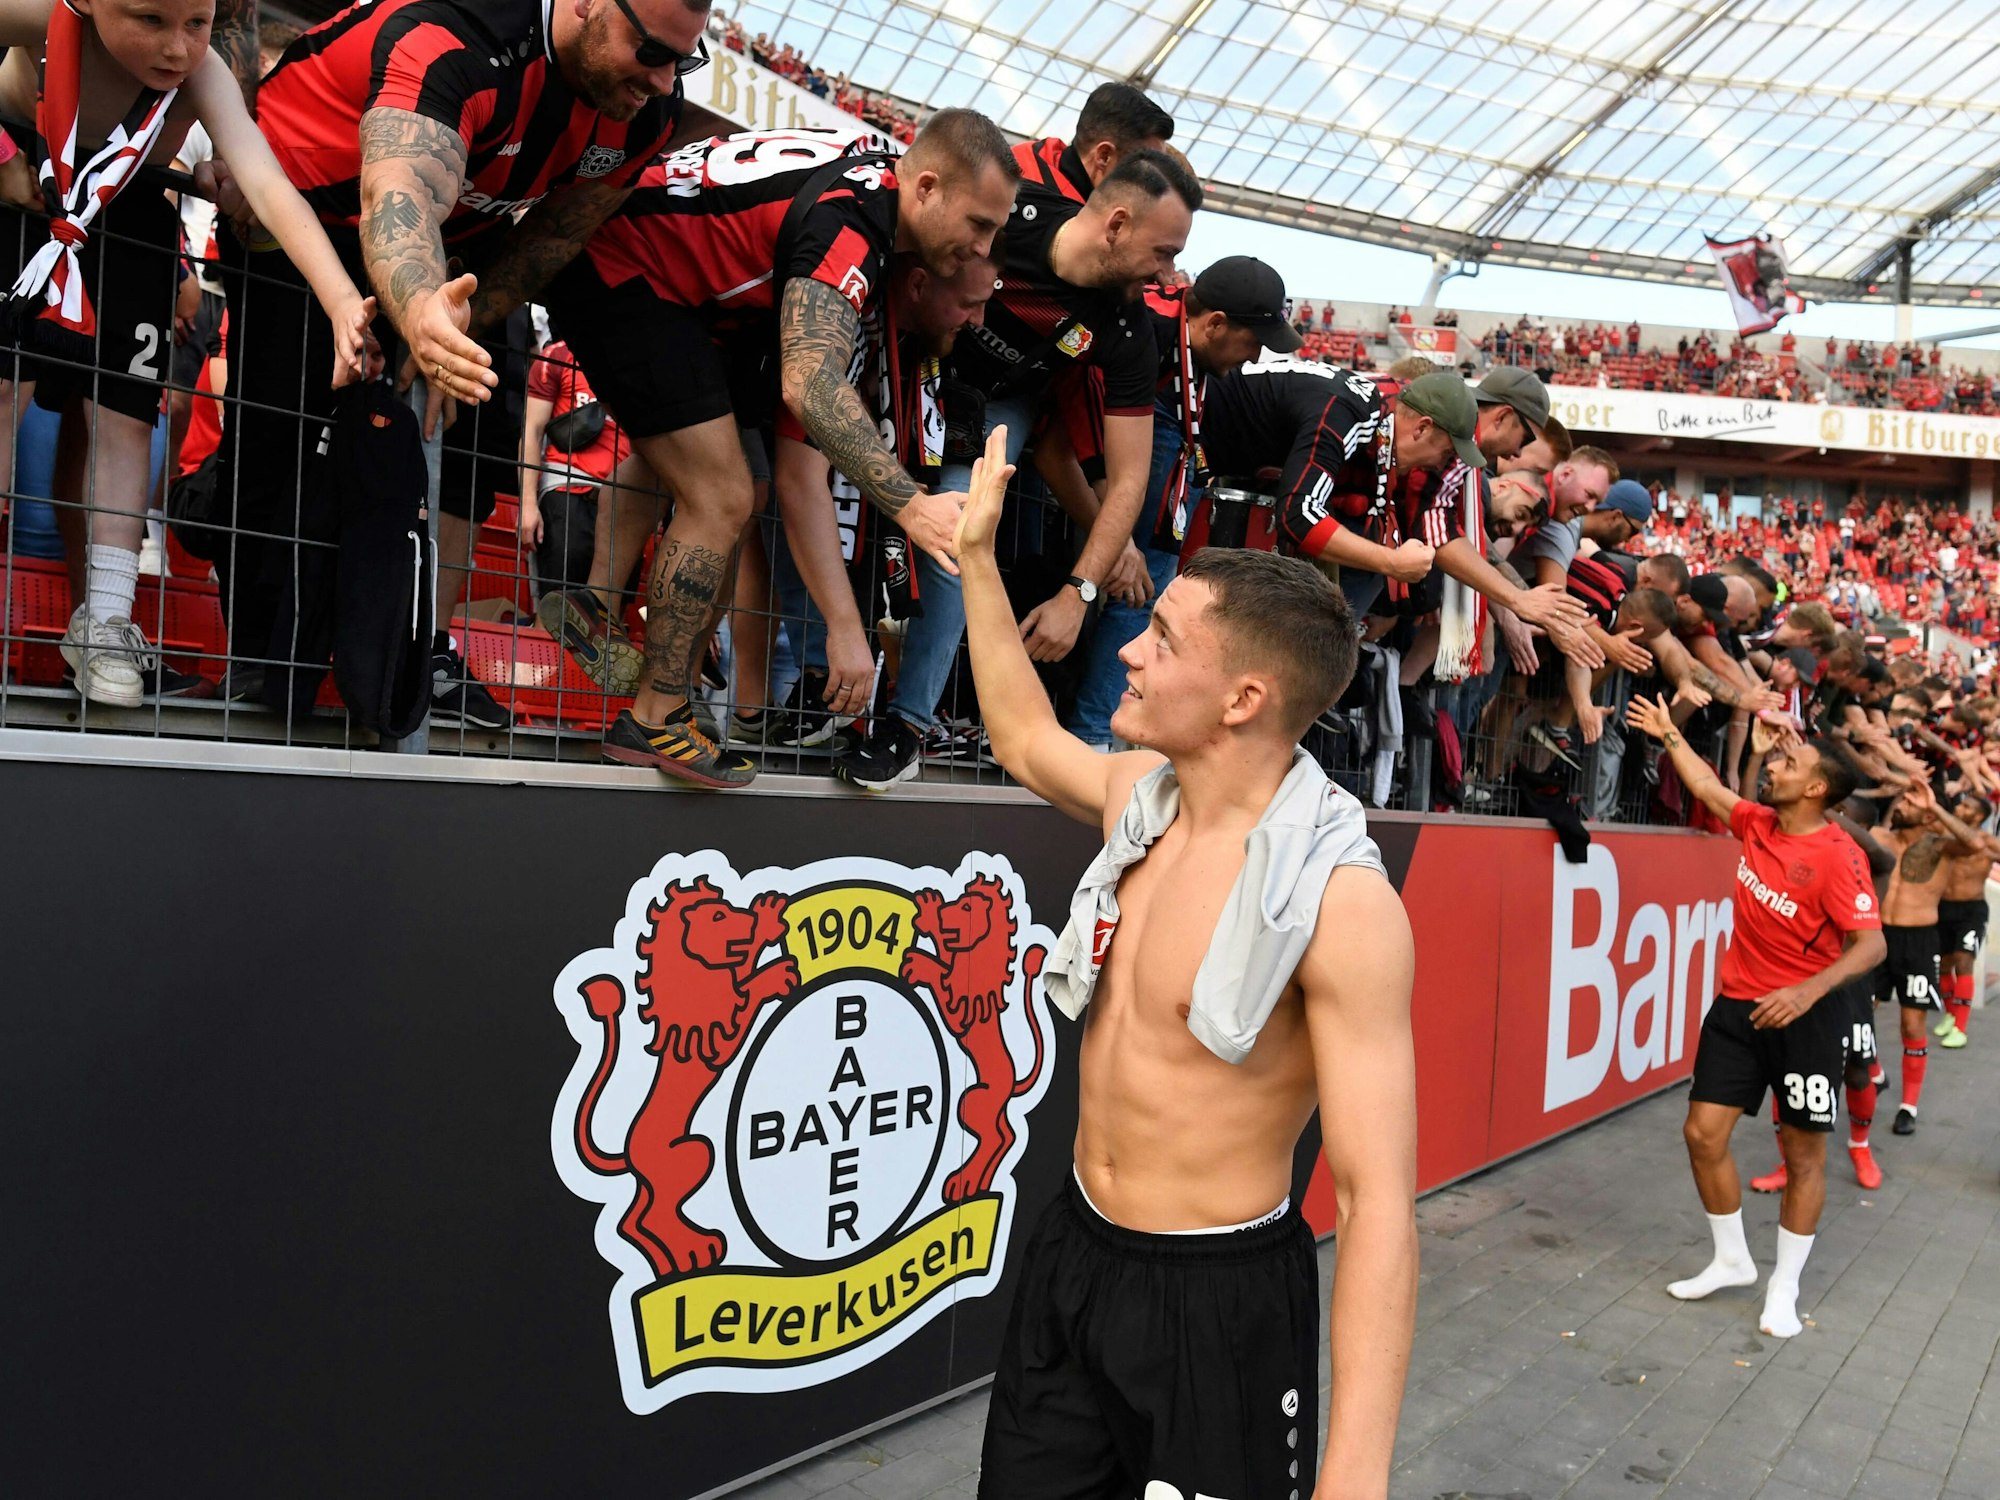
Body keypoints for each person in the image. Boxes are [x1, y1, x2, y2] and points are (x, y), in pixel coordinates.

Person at [956, 426, 1418, 1499]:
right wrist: (976, 561)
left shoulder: (1341, 903)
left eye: (1162, 639)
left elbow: (1374, 1201)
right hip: (1074, 1254)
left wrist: (1355, 1476)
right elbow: (1024, 739)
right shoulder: (1138, 800)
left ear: (1242, 699)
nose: (1129, 651)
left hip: (1221, 1304)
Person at [228, 0, 715, 723]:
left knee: (470, 432)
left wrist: (458, 329)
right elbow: (399, 192)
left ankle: (426, 650)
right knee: (286, 432)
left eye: (685, 59)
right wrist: (422, 316)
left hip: (458, 243)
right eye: (651, 52)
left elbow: (553, 236)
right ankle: (260, 661)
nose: (665, 80)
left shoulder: (647, 110)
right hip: (301, 217)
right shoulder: (457, 36)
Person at [543, 114, 1019, 785]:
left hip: (660, 271)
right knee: (723, 494)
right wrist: (909, 511)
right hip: (632, 263)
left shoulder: (870, 190)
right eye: (978, 227)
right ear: (927, 191)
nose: (980, 253)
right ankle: (654, 714)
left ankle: (623, 634)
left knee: (734, 485)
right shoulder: (854, 240)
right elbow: (809, 393)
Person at [0, 0, 374, 707]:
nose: (177, 46)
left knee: (127, 416)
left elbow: (268, 185)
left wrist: (341, 303)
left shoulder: (201, 72)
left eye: (196, 23)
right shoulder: (40, 14)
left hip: (129, 213)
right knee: (1, 391)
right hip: (23, 187)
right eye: (150, 19)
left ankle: (107, 620)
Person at [835, 147, 1202, 791]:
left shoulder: (1128, 329)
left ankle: (908, 725)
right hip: (904, 355)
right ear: (1116, 225)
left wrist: (1077, 595)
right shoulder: (1009, 214)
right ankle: (802, 693)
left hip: (994, 408)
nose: (1171, 275)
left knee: (960, 529)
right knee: (817, 489)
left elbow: (1131, 480)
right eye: (1164, 252)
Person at [1624, 699, 1883, 1338]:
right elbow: (1708, 789)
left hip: (1806, 1018)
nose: (1775, 764)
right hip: (1737, 1008)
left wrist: (1805, 992)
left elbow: (1871, 945)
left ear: (1816, 789)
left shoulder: (1838, 855)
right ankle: (1733, 1259)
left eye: (1790, 763)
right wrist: (1669, 733)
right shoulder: (1760, 822)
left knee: (1803, 1155)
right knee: (1702, 1134)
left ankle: (1784, 1286)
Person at [1935, 790, 1994, 1048]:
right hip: (1942, 907)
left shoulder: (1987, 842)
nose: (1960, 808)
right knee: (1944, 965)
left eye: (1967, 807)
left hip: (1971, 909)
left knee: (1964, 961)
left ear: (1978, 816)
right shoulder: (1943, 833)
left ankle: (1961, 1027)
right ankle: (1950, 1014)